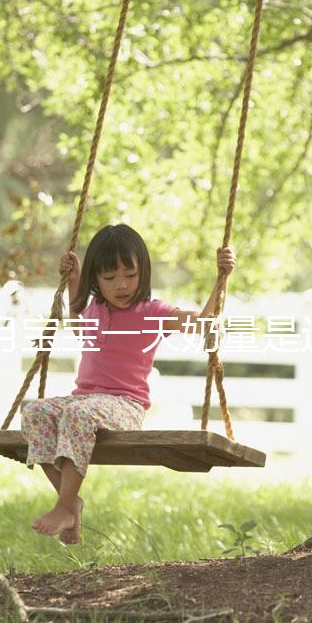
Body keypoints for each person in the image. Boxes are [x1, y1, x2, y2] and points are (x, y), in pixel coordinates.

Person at [21, 224, 236, 544]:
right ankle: (70, 502)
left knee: (77, 416)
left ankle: (65, 506)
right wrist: (74, 275)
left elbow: (202, 323)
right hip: (84, 400)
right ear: (97, 280)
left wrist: (221, 278)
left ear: (143, 272)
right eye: (109, 279)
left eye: (130, 275)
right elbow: (80, 325)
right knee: (35, 411)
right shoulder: (94, 309)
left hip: (124, 405)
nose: (121, 285)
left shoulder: (152, 313)